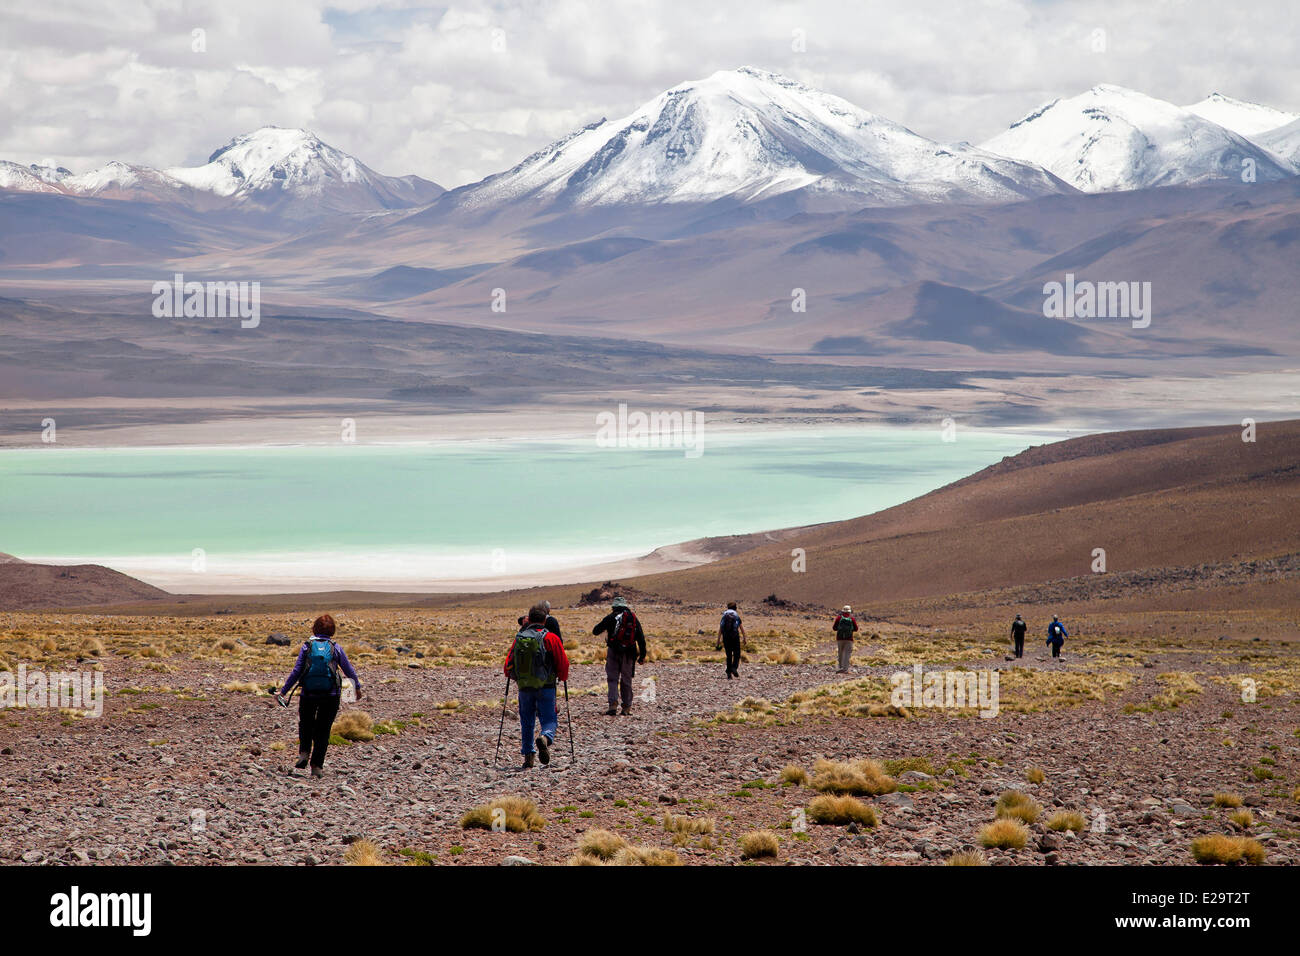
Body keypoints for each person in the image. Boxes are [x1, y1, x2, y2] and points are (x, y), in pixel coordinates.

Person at [277, 614, 361, 778]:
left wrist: (283, 691)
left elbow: (297, 671)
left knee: (306, 723)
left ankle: (304, 753)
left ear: (315, 628)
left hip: (308, 693)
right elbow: (348, 669)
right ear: (332, 630)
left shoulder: (307, 647)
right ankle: (316, 766)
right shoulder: (335, 647)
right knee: (323, 730)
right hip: (331, 694)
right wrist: (356, 687)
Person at [504, 604, 569, 769]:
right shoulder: (551, 638)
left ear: (529, 619)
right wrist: (562, 677)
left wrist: (515, 677)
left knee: (527, 721)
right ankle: (545, 738)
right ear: (545, 620)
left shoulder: (520, 637)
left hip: (524, 687)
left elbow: (508, 665)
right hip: (546, 686)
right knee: (549, 719)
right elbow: (563, 662)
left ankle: (528, 756)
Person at [592, 597, 646, 716]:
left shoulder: (611, 617)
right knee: (626, 680)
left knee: (612, 679)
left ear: (614, 607)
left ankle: (613, 704)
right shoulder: (633, 618)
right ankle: (626, 707)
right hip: (629, 653)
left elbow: (595, 631)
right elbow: (641, 638)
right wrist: (642, 656)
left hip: (613, 651)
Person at [717, 602, 747, 679]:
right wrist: (744, 638)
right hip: (735, 637)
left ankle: (729, 673)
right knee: (737, 654)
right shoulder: (736, 615)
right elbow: (741, 627)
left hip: (726, 637)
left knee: (729, 655)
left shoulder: (725, 615)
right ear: (735, 608)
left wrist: (718, 640)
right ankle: (734, 668)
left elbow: (721, 628)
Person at [832, 605, 858, 673]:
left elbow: (834, 628)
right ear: (849, 611)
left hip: (840, 638)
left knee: (840, 652)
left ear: (843, 611)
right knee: (847, 653)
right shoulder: (852, 619)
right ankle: (845, 669)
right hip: (849, 639)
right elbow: (856, 629)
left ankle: (840, 667)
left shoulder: (838, 618)